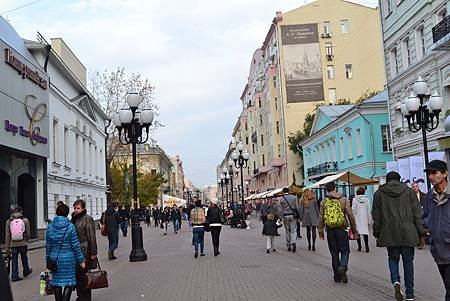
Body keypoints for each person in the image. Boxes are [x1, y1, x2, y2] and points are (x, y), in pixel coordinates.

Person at [372, 171, 426, 301]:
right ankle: (410, 294)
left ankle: (396, 281)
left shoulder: (379, 194)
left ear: (387, 180)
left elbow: (376, 216)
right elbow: (417, 213)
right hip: (408, 232)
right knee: (408, 262)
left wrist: (377, 232)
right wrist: (421, 232)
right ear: (399, 180)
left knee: (393, 258)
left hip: (389, 232)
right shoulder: (409, 192)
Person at [318, 181, 358, 284]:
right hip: (342, 228)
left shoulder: (324, 202)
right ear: (335, 188)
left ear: (327, 190)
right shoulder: (343, 199)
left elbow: (321, 218)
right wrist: (354, 230)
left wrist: (320, 231)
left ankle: (337, 276)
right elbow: (350, 215)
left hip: (330, 230)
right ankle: (343, 266)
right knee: (345, 250)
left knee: (334, 253)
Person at [422, 160, 450, 301]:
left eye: (435, 173)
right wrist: (428, 229)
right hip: (438, 249)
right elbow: (426, 216)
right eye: (429, 174)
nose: (431, 177)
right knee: (447, 286)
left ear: (445, 173)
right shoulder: (429, 196)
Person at [46, 204, 85, 301]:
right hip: (69, 259)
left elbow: (48, 246)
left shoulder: (50, 227)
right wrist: (81, 260)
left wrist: (48, 259)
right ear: (67, 214)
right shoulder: (70, 226)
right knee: (69, 283)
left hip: (55, 258)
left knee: (56, 283)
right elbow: (75, 245)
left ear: (56, 213)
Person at [71, 199, 97, 301]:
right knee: (77, 274)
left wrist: (93, 252)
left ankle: (86, 297)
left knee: (84, 274)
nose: (76, 210)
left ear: (83, 208)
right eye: (74, 208)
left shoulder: (87, 219)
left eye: (78, 208)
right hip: (75, 250)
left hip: (85, 250)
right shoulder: (73, 219)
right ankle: (80, 295)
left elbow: (92, 236)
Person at [4, 207, 32, 282]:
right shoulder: (25, 220)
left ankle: (14, 276)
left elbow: (7, 235)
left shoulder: (9, 221)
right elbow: (28, 233)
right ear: (21, 211)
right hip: (23, 243)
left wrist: (7, 247)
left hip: (13, 244)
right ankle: (26, 271)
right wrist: (27, 240)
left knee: (14, 260)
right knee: (24, 258)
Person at [279, 187, 300, 252]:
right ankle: (293, 242)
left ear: (283, 192)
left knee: (287, 231)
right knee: (293, 230)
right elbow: (297, 207)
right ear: (289, 191)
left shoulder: (282, 199)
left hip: (285, 215)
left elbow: (280, 209)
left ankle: (288, 245)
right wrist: (299, 216)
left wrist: (280, 217)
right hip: (293, 215)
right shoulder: (294, 197)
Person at [352, 187, 371, 253]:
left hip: (357, 218)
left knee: (358, 232)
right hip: (365, 218)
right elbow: (368, 211)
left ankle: (359, 246)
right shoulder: (367, 200)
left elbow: (353, 210)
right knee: (365, 232)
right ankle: (367, 246)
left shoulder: (354, 200)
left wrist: (353, 220)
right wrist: (369, 220)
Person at [411, 181, 427, 249]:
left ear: (418, 187)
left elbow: (426, 204)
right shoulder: (410, 196)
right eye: (413, 187)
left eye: (416, 186)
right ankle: (418, 241)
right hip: (414, 214)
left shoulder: (424, 195)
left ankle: (422, 243)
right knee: (416, 229)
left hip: (422, 214)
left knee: (422, 227)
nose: (415, 188)